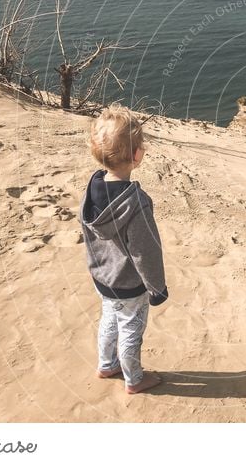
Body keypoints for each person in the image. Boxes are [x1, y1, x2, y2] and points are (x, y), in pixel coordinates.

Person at [80, 103, 168, 393]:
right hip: (129, 283)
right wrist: (157, 287)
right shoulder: (136, 203)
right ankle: (135, 378)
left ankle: (107, 364)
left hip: (103, 278)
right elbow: (146, 251)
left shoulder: (91, 191)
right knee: (131, 328)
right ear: (137, 155)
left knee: (109, 319)